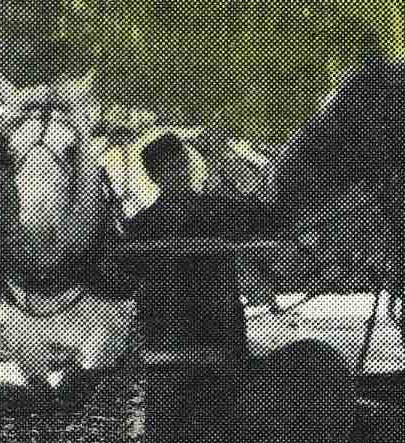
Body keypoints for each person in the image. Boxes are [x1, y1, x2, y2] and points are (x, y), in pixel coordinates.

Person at [109, 133, 281, 367]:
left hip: (214, 341)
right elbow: (123, 276)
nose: (180, 172)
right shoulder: (143, 225)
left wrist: (227, 164)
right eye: (170, 168)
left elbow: (267, 220)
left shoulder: (219, 209)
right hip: (173, 345)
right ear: (154, 176)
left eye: (182, 164)